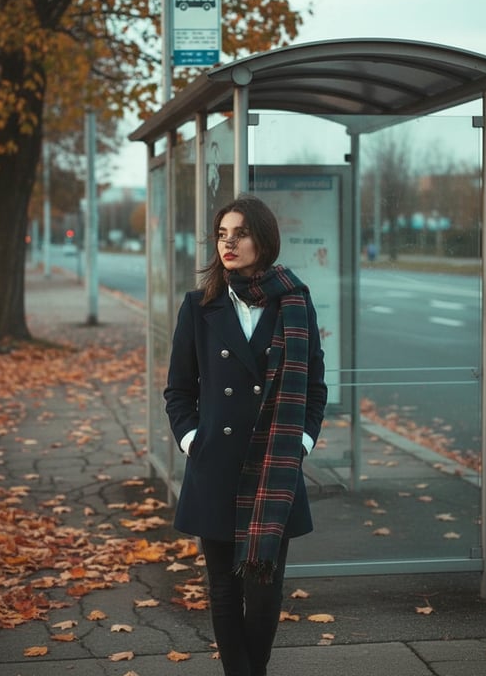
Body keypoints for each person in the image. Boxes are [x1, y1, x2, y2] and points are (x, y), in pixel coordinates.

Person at [164, 194, 327, 676]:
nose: (228, 243)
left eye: (240, 233)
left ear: (264, 239)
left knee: (264, 589)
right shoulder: (200, 306)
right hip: (215, 465)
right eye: (222, 234)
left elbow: (315, 388)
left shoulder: (295, 303)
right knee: (222, 587)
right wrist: (195, 440)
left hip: (273, 468)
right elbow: (178, 390)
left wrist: (300, 444)